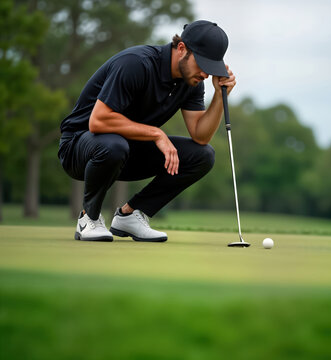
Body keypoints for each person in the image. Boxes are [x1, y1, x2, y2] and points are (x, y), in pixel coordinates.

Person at [58, 20, 236, 242]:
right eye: (202, 64)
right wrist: (156, 134)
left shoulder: (191, 82)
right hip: (79, 148)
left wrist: (220, 96)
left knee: (203, 155)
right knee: (114, 145)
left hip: (124, 150)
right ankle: (89, 218)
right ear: (182, 49)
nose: (205, 75)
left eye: (211, 68)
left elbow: (200, 135)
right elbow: (98, 121)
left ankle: (130, 215)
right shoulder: (136, 64)